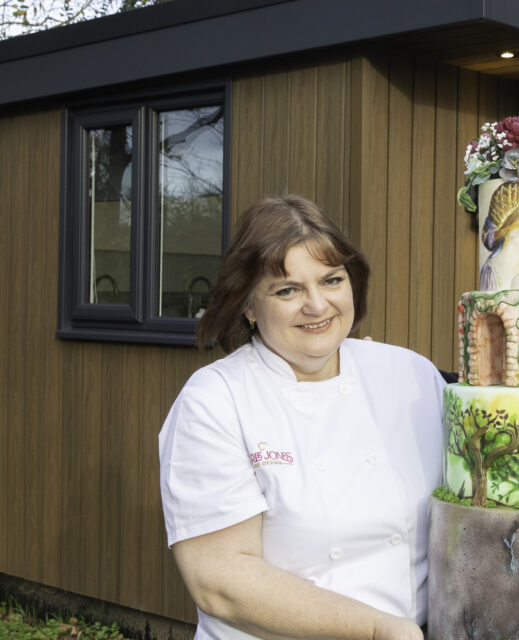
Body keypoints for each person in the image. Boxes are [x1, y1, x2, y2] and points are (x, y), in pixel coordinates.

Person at [158, 195, 445, 640]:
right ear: (249, 307)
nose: (317, 305)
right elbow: (220, 583)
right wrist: (377, 629)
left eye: (331, 280)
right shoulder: (215, 401)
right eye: (287, 290)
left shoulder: (411, 375)